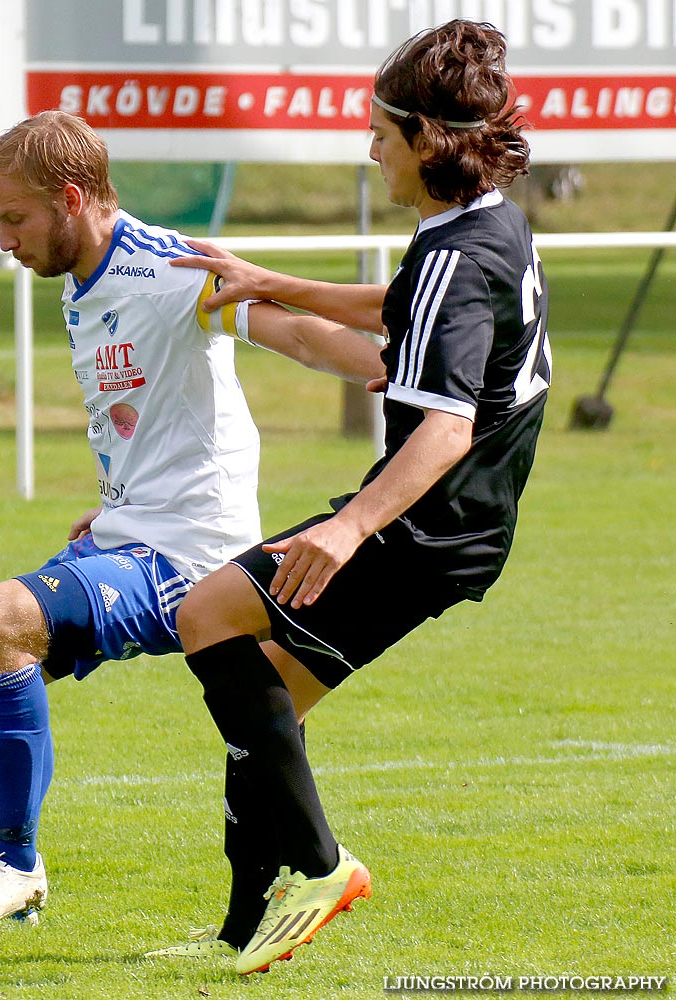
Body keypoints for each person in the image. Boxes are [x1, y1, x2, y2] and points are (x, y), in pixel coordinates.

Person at [0, 110, 386, 939]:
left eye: (14, 219)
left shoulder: (166, 268)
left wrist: (422, 374)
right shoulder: (82, 280)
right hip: (134, 534)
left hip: (187, 558)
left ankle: (13, 868)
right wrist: (120, 499)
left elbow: (296, 332)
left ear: (69, 198)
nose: (4, 241)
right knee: (18, 655)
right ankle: (239, 920)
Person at [150, 19, 552, 975]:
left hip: (420, 523)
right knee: (267, 719)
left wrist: (347, 526)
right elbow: (400, 304)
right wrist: (269, 282)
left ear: (426, 137)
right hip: (459, 529)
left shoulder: (456, 258)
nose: (369, 146)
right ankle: (245, 932)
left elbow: (448, 427)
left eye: (380, 129)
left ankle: (324, 870)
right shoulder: (479, 226)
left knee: (208, 614)